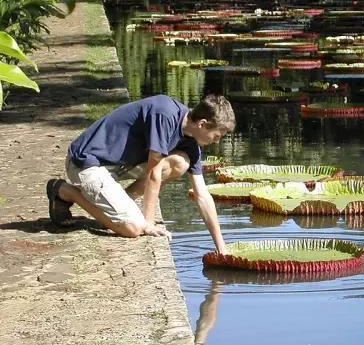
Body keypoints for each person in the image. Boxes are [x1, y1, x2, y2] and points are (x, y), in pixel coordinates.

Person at [46, 94, 235, 250]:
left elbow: (202, 196)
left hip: (117, 167)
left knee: (181, 162)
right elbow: (154, 174)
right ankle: (64, 191)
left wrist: (221, 248)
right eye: (217, 135)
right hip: (86, 163)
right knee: (134, 228)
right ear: (202, 124)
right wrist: (148, 224)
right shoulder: (165, 114)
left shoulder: (192, 143)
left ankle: (118, 208)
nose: (217, 141)